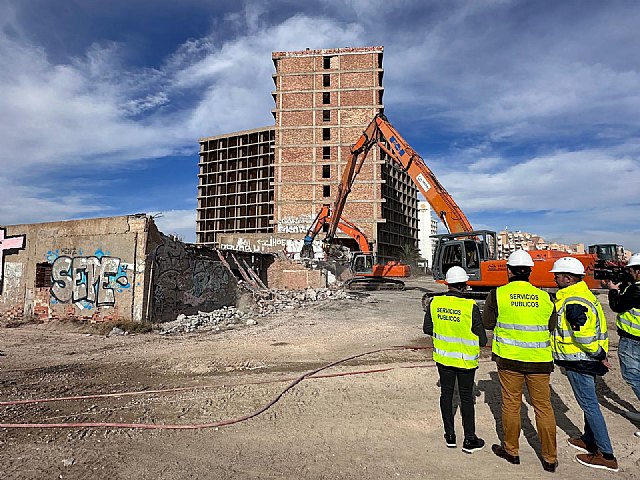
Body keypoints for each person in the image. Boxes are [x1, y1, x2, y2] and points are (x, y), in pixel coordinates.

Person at [482, 250, 558, 472]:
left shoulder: (498, 294)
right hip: (540, 361)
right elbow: (551, 326)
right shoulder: (546, 297)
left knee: (511, 405)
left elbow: (487, 323)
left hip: (509, 360)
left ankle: (512, 451)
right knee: (543, 407)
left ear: (508, 271)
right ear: (530, 272)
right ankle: (550, 458)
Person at [550, 256, 619, 472]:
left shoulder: (574, 301)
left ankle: (606, 455)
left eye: (558, 275)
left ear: (568, 278)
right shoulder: (581, 295)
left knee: (589, 405)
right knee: (589, 403)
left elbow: (583, 335)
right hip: (583, 358)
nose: (555, 278)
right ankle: (589, 439)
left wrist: (598, 354)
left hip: (580, 360)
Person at [423, 266, 487, 453]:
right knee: (466, 397)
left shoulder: (434, 303)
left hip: (443, 358)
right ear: (464, 285)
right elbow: (482, 339)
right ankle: (469, 440)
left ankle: (449, 436)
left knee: (446, 395)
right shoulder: (469, 306)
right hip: (465, 360)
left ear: (448, 283)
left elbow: (427, 328)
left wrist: (445, 330)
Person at [604, 253, 640, 437]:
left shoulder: (636, 290)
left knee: (633, 377)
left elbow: (617, 306)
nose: (629, 274)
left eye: (631, 271)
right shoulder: (633, 288)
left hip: (633, 339)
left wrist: (613, 290)